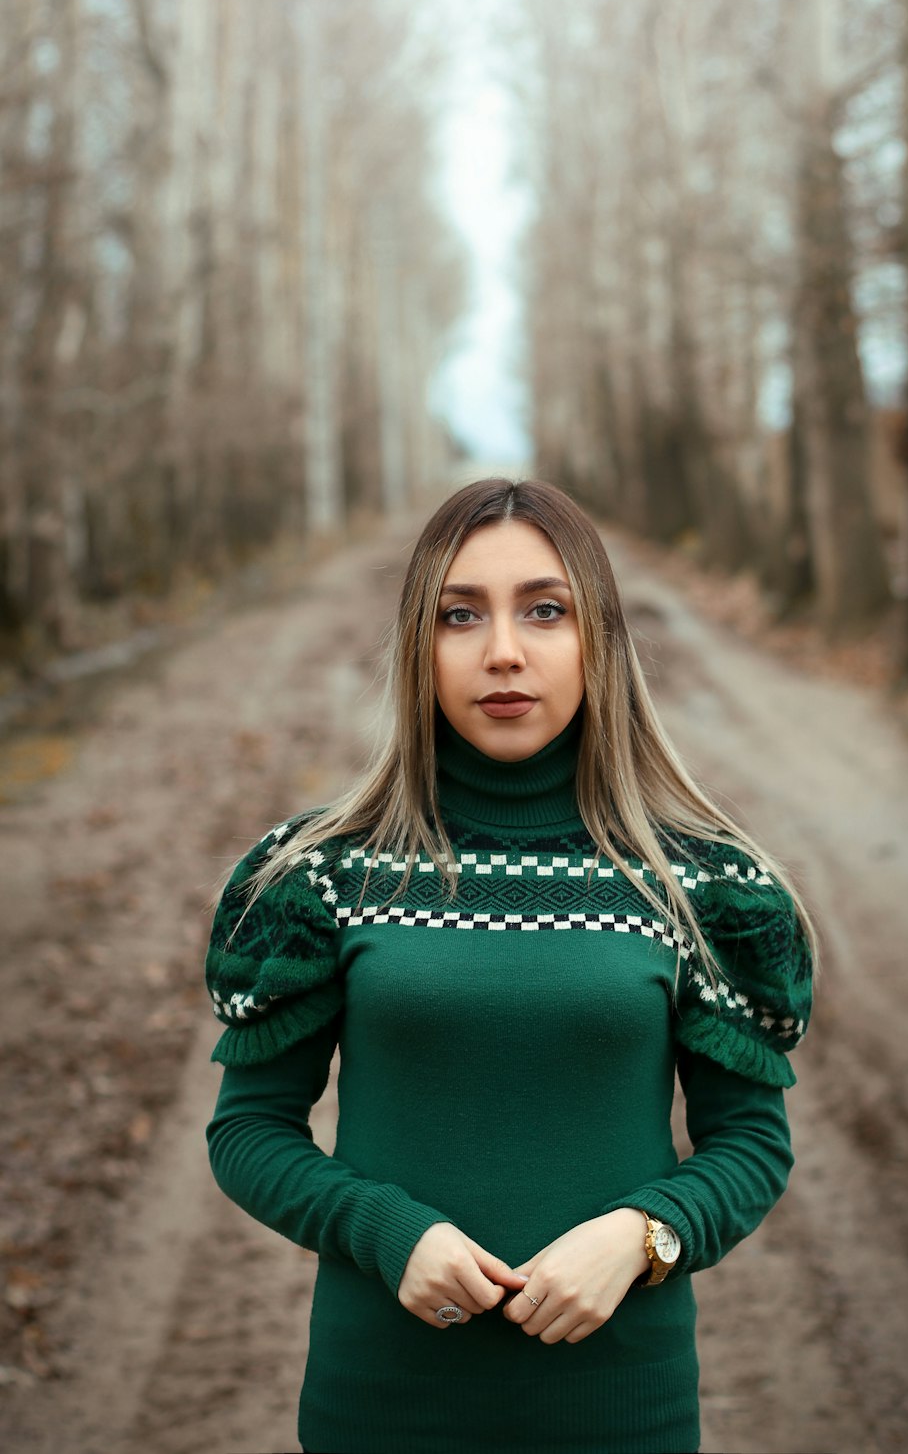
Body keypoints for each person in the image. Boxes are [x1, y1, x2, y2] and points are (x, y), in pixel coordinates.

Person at [204, 477, 817, 1454]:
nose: (502, 651)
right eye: (459, 615)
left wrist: (643, 1235)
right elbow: (247, 1131)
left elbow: (752, 1145)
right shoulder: (320, 874)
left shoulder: (700, 883)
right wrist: (385, 1230)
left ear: (598, 640)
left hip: (622, 1413)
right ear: (419, 645)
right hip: (380, 1408)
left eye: (544, 610)